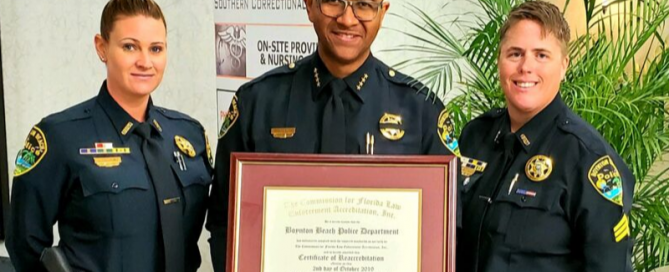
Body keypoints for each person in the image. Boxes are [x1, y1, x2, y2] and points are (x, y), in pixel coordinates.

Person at [206, 0, 460, 270]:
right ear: (310, 6)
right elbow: (225, 223)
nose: (347, 19)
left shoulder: (421, 111)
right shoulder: (257, 103)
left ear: (382, 12)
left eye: (363, 5)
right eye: (334, 2)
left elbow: (443, 233)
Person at [6, 0, 213, 271]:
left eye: (156, 49)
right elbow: (25, 243)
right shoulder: (59, 137)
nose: (145, 62)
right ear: (102, 48)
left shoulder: (190, 135)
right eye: (130, 46)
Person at [457, 1, 634, 271]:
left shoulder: (588, 160)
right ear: (499, 60)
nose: (526, 67)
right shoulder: (474, 137)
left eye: (541, 55)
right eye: (515, 54)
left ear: (564, 65)